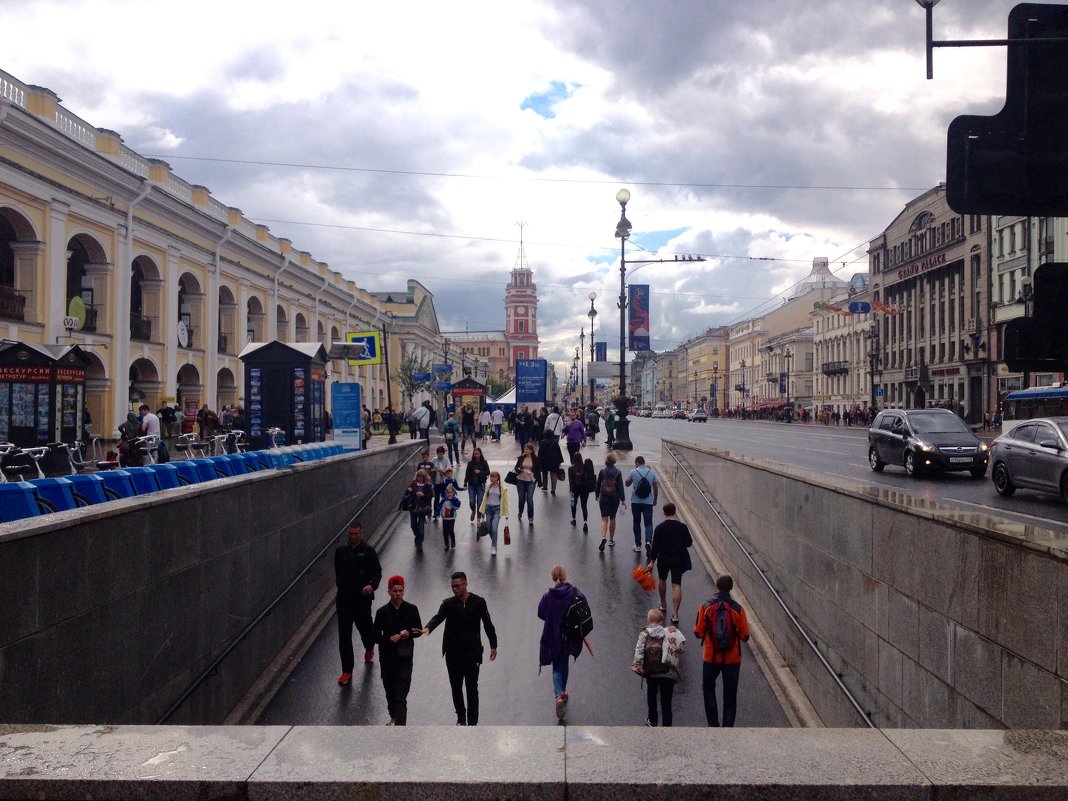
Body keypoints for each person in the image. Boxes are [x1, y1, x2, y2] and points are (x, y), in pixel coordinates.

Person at [422, 571, 498, 726]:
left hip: (472, 654)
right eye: (452, 587)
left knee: (472, 688)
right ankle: (461, 718)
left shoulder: (478, 602)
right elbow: (438, 617)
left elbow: (488, 624)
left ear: (465, 584)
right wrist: (428, 628)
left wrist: (493, 645)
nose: (455, 589)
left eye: (457, 586)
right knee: (456, 688)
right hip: (453, 654)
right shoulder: (448, 604)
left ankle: (472, 722)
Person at [694, 574, 751, 727]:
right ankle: (728, 727)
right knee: (730, 694)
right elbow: (745, 636)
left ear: (717, 587)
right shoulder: (738, 609)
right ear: (731, 588)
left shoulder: (706, 607)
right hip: (732, 660)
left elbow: (698, 633)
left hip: (711, 658)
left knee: (708, 689)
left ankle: (713, 724)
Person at [334, 520, 382, 685]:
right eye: (350, 534)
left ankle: (369, 646)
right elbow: (337, 571)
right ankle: (347, 670)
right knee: (344, 636)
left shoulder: (368, 552)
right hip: (344, 599)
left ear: (361, 532)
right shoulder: (340, 552)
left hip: (362, 600)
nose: (353, 536)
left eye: (356, 534)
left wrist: (371, 586)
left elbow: (377, 572)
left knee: (366, 629)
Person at [537, 564, 587, 721]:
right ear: (565, 576)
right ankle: (564, 690)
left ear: (553, 577)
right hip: (570, 635)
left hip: (554, 635)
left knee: (556, 667)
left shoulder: (548, 596)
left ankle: (558, 695)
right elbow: (584, 606)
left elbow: (541, 613)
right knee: (564, 663)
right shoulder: (574, 592)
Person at [373, 575, 422, 725]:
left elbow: (418, 631)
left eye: (400, 591)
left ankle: (400, 726)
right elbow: (374, 636)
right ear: (389, 592)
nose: (398, 594)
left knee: (401, 695)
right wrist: (388, 638)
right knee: (390, 692)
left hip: (404, 658)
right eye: (395, 591)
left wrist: (409, 633)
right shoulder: (381, 612)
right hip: (387, 659)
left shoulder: (412, 609)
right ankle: (394, 717)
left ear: (404, 591)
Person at [630, 607, 686, 726]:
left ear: (648, 621)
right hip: (667, 673)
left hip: (651, 672)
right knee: (666, 701)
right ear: (661, 621)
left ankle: (652, 720)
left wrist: (636, 664)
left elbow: (639, 649)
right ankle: (667, 725)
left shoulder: (644, 633)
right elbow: (681, 649)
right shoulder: (669, 632)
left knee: (652, 696)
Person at [646, 503, 693, 625]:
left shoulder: (660, 528)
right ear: (674, 512)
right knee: (676, 584)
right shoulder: (682, 527)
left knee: (662, 579)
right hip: (678, 558)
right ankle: (675, 613)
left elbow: (655, 546)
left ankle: (662, 603)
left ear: (664, 513)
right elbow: (689, 543)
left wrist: (652, 562)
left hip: (664, 558)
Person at [625, 455, 658, 555]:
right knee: (648, 523)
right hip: (648, 502)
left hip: (635, 502)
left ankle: (638, 545)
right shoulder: (651, 472)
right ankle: (648, 541)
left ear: (636, 463)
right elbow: (655, 488)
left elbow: (627, 484)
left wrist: (629, 480)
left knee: (636, 522)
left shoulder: (633, 471)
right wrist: (655, 499)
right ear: (644, 462)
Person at [595, 452, 625, 551]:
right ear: (614, 461)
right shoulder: (618, 472)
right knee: (612, 518)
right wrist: (623, 499)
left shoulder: (602, 471)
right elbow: (620, 486)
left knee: (604, 519)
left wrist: (596, 495)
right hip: (614, 498)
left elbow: (598, 484)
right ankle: (611, 540)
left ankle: (603, 537)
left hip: (603, 497)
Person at [477, 470, 510, 556]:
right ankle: (494, 542)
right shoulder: (488, 486)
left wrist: (506, 514)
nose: (492, 478)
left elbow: (505, 502)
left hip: (497, 509)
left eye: (494, 477)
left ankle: (493, 546)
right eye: (491, 476)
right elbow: (485, 499)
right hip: (488, 509)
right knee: (489, 527)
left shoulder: (502, 489)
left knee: (494, 528)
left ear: (497, 478)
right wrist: (482, 511)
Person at [405, 469, 433, 551]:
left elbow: (430, 496)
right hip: (413, 507)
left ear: (424, 477)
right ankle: (417, 538)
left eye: (421, 477)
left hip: (422, 509)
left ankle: (419, 543)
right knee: (413, 526)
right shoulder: (413, 484)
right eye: (418, 476)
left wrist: (423, 495)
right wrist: (412, 492)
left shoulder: (428, 486)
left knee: (421, 528)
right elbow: (407, 493)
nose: (419, 478)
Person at [513, 441, 539, 525]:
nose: (525, 450)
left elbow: (538, 470)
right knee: (521, 499)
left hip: (531, 481)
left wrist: (540, 481)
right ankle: (520, 511)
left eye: (527, 449)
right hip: (521, 480)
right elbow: (516, 467)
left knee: (529, 499)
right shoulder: (521, 457)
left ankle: (530, 518)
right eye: (525, 449)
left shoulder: (535, 458)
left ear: (531, 450)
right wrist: (520, 469)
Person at [464, 447, 490, 522]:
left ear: (480, 454)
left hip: (480, 484)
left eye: (477, 454)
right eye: (475, 454)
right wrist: (465, 483)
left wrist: (480, 472)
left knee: (479, 502)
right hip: (471, 485)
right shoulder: (470, 463)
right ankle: (473, 511)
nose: (476, 455)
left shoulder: (484, 462)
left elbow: (488, 472)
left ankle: (478, 517)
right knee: (472, 501)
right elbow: (467, 474)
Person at [567, 452, 592, 531]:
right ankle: (585, 522)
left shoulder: (571, 468)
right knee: (584, 505)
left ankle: (573, 519)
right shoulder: (585, 467)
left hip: (574, 489)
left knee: (573, 504)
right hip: (584, 489)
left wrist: (571, 490)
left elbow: (571, 481)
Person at [536, 426, 564, 494]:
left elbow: (540, 453)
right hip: (554, 460)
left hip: (544, 460)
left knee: (544, 474)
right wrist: (560, 461)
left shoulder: (542, 442)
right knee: (554, 474)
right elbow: (558, 451)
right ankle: (553, 489)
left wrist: (539, 461)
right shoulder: (555, 442)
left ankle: (545, 486)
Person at [437, 483, 462, 551]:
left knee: (450, 530)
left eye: (450, 492)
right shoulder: (443, 500)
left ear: (453, 493)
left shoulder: (455, 500)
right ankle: (446, 545)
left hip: (451, 518)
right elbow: (439, 507)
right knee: (445, 531)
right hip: (444, 518)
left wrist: (452, 500)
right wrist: (437, 514)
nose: (449, 494)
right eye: (447, 492)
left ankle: (453, 540)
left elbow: (457, 505)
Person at [430, 445, 452, 521]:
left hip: (444, 482)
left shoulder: (446, 460)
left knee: (445, 498)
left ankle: (446, 512)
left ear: (443, 453)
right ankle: (436, 513)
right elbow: (430, 469)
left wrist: (443, 471)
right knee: (436, 498)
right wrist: (433, 470)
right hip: (436, 481)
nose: (439, 455)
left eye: (441, 454)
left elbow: (449, 471)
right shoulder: (434, 460)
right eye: (438, 454)